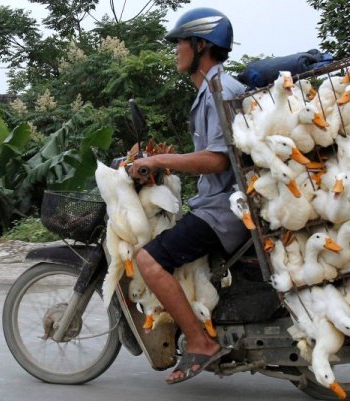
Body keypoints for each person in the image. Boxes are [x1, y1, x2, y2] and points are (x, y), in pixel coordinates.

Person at [127, 7, 249, 384]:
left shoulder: (218, 91)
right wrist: (164, 164)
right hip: (221, 204)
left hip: (223, 211)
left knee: (147, 261)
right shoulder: (212, 90)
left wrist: (161, 159)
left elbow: (216, 160)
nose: (176, 50)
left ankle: (200, 342)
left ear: (201, 46)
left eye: (180, 42)